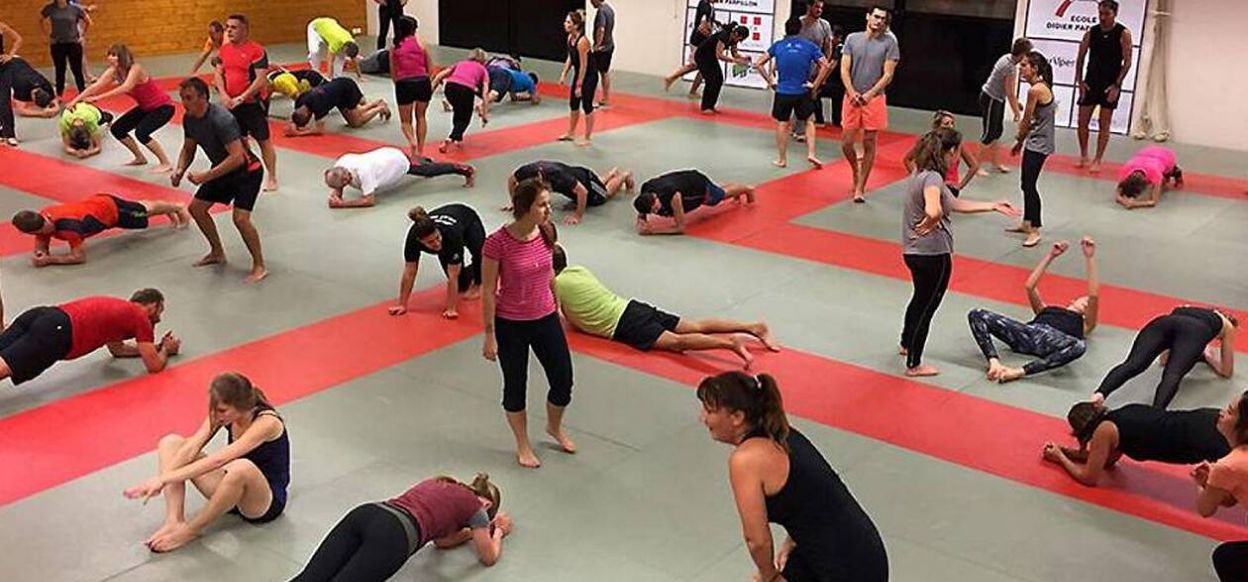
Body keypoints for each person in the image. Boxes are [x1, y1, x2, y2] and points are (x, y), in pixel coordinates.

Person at [697, 371, 889, 582]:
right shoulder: (782, 433)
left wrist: (770, 577)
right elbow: (812, 497)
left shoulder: (746, 460)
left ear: (737, 417)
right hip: (860, 550)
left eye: (709, 411)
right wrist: (793, 539)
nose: (702, 418)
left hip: (845, 568)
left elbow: (756, 540)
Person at [124, 372, 288, 553]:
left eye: (222, 410)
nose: (217, 415)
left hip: (262, 501)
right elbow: (191, 448)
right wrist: (162, 478)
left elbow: (219, 459)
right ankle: (173, 521)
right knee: (171, 443)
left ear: (241, 406)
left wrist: (164, 479)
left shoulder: (267, 422)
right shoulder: (224, 414)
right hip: (231, 490)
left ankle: (189, 531)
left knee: (242, 467)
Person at [900, 128, 1018, 377]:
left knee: (919, 299)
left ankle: (906, 342)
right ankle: (914, 363)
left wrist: (992, 205)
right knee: (928, 307)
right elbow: (935, 209)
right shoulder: (933, 178)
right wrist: (932, 221)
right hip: (933, 254)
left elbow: (952, 204)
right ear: (951, 151)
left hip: (913, 252)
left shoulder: (920, 173)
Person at [481, 178, 576, 469]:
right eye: (542, 204)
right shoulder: (497, 243)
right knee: (515, 385)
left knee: (563, 380)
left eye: (548, 203)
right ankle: (522, 443)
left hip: (545, 317)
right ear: (524, 208)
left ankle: (553, 426)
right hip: (511, 324)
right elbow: (487, 290)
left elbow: (549, 274)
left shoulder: (546, 232)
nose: (548, 210)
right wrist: (489, 335)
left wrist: (558, 308)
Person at [553, 245, 778, 367]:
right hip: (632, 307)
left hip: (624, 324)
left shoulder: (557, 284)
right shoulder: (579, 269)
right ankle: (753, 327)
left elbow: (558, 316)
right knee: (694, 326)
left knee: (677, 343)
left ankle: (730, 343)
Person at [290, 474, 511, 581]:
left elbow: (442, 541)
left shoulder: (440, 482)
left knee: (309, 578)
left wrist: (470, 534)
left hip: (368, 513)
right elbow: (488, 556)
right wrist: (498, 530)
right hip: (394, 535)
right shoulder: (478, 508)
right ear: (487, 503)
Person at [174, 77, 268, 284]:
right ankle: (217, 252)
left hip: (247, 172)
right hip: (223, 169)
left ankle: (259, 264)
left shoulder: (222, 119)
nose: (184, 102)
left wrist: (205, 176)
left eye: (188, 98)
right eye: (182, 98)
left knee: (240, 219)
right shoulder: (189, 118)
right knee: (196, 208)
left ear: (203, 98)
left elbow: (237, 157)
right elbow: (188, 148)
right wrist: (180, 169)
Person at [968, 238, 1099, 383]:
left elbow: (1094, 295)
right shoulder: (1045, 309)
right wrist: (1051, 256)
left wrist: (1090, 258)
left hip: (1053, 343)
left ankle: (1020, 371)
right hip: (1028, 333)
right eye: (1084, 300)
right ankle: (994, 362)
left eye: (1089, 305)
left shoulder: (1085, 324)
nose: (1087, 303)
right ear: (1073, 300)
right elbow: (1030, 286)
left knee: (1079, 346)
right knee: (977, 314)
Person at [0, 288, 179, 385]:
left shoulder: (118, 311)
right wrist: (165, 350)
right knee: (5, 366)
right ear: (152, 306)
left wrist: (155, 348)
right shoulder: (141, 317)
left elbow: (118, 350)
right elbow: (154, 366)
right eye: (160, 311)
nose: (160, 318)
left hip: (42, 314)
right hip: (58, 330)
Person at [1041, 400, 1231, 487]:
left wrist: (1060, 458)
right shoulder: (1124, 412)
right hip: (1206, 419)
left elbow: (1089, 478)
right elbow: (1107, 460)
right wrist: (1068, 452)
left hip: (1200, 437)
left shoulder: (1104, 431)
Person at [1092, 306, 1237, 409]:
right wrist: (1207, 355)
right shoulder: (1227, 325)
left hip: (1163, 322)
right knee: (1173, 374)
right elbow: (1226, 371)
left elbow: (1163, 359)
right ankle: (1156, 413)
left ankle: (1099, 394)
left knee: (1133, 364)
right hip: (1195, 331)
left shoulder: (1185, 307)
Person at [68, 44, 176, 172]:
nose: (110, 58)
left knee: (142, 133)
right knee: (118, 129)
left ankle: (165, 162)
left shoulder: (135, 69)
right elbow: (95, 86)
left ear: (122, 56)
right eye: (109, 55)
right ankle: (140, 158)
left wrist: (99, 98)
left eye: (113, 55)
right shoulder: (113, 71)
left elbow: (126, 87)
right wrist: (74, 100)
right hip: (146, 107)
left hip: (163, 107)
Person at [12, 194, 188, 265]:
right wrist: (40, 251)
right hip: (98, 203)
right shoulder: (44, 214)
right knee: (142, 208)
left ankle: (177, 207)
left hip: (111, 211)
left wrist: (51, 260)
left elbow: (79, 257)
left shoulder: (70, 229)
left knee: (144, 211)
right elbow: (42, 237)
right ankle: (169, 208)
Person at [840, 5, 899, 203]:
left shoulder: (890, 43)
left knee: (869, 142)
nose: (878, 21)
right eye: (876, 16)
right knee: (846, 141)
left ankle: (860, 186)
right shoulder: (852, 39)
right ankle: (855, 170)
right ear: (868, 17)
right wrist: (852, 92)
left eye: (882, 18)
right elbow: (844, 69)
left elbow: (888, 74)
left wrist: (869, 94)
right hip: (852, 97)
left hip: (875, 98)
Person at [755, 16, 831, 169]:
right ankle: (811, 153)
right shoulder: (809, 46)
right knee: (809, 121)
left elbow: (758, 63)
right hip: (802, 90)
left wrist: (771, 82)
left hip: (783, 91)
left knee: (783, 123)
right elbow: (826, 65)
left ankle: (782, 159)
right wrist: (815, 85)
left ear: (785, 29)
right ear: (800, 30)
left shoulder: (778, 45)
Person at [214, 14, 278, 191]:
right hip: (231, 104)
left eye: (233, 27)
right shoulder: (224, 50)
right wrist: (224, 95)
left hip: (252, 104)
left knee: (263, 140)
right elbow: (218, 74)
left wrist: (242, 97)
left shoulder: (256, 50)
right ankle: (249, 168)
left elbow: (261, 79)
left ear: (244, 30)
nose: (228, 30)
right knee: (238, 140)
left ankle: (271, 177)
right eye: (227, 27)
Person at [391, 204, 485, 319]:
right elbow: (409, 272)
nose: (436, 243)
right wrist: (402, 304)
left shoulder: (451, 235)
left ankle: (479, 282)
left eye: (437, 237)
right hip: (448, 240)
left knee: (479, 252)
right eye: (430, 242)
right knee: (461, 285)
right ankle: (484, 269)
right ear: (420, 241)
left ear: (438, 231)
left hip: (467, 219)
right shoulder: (412, 239)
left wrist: (451, 309)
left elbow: (452, 276)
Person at [1193, 392, 1248, 582]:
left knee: (1226, 558)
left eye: (1230, 412)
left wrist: (1203, 484)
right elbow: (1232, 498)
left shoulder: (1229, 465)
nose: (1222, 413)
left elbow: (1205, 509)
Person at [1075, 0, 1132, 172]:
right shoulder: (1091, 32)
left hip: (1110, 84)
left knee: (1104, 123)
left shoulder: (1123, 33)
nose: (1103, 17)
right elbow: (1080, 57)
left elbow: (1127, 61)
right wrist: (1080, 82)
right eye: (1100, 13)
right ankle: (1084, 155)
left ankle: (1098, 159)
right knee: (1082, 121)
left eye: (1107, 14)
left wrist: (1117, 85)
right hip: (1091, 82)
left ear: (1115, 14)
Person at [323, 146, 474, 208]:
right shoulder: (341, 163)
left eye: (345, 182)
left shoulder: (363, 172)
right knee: (421, 165)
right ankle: (423, 160)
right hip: (385, 154)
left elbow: (369, 200)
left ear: (347, 177)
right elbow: (338, 183)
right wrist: (337, 194)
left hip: (397, 163)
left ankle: (465, 170)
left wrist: (342, 204)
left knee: (428, 171)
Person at [1009, 50, 1056, 247]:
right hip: (1038, 142)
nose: (1021, 68)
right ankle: (1027, 222)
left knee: (1029, 185)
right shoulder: (1042, 86)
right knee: (1025, 183)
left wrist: (1018, 140)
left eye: (1025, 65)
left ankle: (1035, 229)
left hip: (1039, 144)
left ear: (1034, 68)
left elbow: (1026, 120)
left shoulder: (1035, 90)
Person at [509, 160, 633, 225]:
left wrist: (577, 215)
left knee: (603, 194)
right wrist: (515, 202)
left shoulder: (558, 176)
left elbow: (582, 192)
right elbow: (511, 180)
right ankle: (612, 172)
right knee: (598, 184)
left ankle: (624, 175)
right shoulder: (526, 171)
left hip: (585, 181)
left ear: (540, 176)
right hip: (574, 181)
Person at [633, 170, 755, 235]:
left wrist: (653, 231)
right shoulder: (646, 189)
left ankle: (748, 189)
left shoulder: (673, 196)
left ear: (655, 197)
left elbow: (681, 227)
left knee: (717, 198)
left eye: (655, 209)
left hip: (698, 186)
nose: (656, 212)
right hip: (685, 178)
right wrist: (642, 219)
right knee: (716, 190)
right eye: (652, 212)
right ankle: (729, 187)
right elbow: (642, 210)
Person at [978, 38, 1031, 175]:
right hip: (991, 98)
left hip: (997, 99)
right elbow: (1010, 92)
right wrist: (1017, 113)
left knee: (997, 132)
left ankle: (995, 163)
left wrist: (1016, 102)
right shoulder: (1010, 67)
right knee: (988, 134)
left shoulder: (1008, 58)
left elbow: (1008, 91)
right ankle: (976, 167)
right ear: (1022, 53)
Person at [902, 111, 980, 195]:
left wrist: (960, 186)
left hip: (950, 188)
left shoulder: (958, 144)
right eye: (947, 123)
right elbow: (907, 160)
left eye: (952, 123)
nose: (950, 126)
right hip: (931, 186)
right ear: (938, 126)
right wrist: (919, 178)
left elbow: (974, 166)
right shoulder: (926, 141)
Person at [288, 77, 391, 136]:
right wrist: (294, 126)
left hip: (346, 89)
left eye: (309, 117)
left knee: (356, 122)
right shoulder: (300, 101)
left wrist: (299, 134)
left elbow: (319, 130)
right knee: (355, 114)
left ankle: (380, 108)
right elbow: (294, 118)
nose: (311, 117)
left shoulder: (317, 105)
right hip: (338, 89)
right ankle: (376, 103)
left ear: (307, 114)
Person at [390, 16, 433, 157]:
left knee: (405, 121)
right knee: (421, 116)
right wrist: (427, 81)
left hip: (404, 83)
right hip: (422, 82)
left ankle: (412, 141)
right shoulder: (422, 44)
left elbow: (393, 72)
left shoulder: (395, 47)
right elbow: (430, 68)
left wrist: (399, 84)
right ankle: (420, 150)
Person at [431, 49, 489, 152]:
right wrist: (484, 114)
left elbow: (439, 76)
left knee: (458, 111)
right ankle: (451, 138)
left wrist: (429, 93)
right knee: (465, 118)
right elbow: (485, 93)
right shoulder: (483, 70)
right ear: (484, 60)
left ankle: (458, 137)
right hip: (466, 90)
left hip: (450, 87)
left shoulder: (460, 63)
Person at [662, 0, 718, 98]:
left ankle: (691, 90)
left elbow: (707, 22)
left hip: (702, 42)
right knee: (697, 66)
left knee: (701, 67)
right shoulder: (705, 6)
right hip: (698, 41)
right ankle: (672, 78)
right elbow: (702, 25)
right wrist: (710, 36)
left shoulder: (708, 5)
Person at [557, 10, 597, 145]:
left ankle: (587, 137)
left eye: (568, 22)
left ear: (576, 25)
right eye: (566, 21)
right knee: (573, 104)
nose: (565, 24)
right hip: (579, 74)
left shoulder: (582, 42)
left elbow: (584, 66)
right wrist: (564, 73)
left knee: (587, 105)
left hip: (589, 76)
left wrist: (579, 85)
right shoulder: (570, 38)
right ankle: (571, 132)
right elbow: (570, 57)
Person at [693, 22, 751, 115]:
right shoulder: (724, 35)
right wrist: (735, 61)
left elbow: (734, 54)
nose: (740, 41)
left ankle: (711, 105)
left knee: (719, 79)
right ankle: (705, 107)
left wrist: (743, 58)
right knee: (711, 80)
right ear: (736, 34)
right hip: (702, 55)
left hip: (711, 56)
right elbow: (719, 55)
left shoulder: (734, 40)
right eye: (740, 39)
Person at [40, 0, 91, 96]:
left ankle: (82, 93)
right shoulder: (50, 8)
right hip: (57, 43)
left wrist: (82, 35)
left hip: (73, 43)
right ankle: (59, 94)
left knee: (77, 70)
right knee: (60, 70)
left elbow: (87, 21)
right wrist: (47, 36)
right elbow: (40, 20)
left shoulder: (75, 8)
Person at [1116, 145, 1183, 209]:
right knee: (1127, 190)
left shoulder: (1155, 173)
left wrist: (1135, 204)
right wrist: (1123, 201)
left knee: (1165, 182)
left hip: (1166, 156)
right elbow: (1118, 191)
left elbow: (1153, 202)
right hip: (1146, 152)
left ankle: (1176, 170)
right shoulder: (1125, 171)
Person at [813, 25, 845, 128]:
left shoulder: (839, 48)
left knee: (815, 95)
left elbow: (832, 65)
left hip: (835, 82)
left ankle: (820, 120)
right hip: (839, 83)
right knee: (837, 102)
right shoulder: (836, 48)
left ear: (838, 37)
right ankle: (836, 121)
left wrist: (823, 78)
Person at [590, 0, 615, 108]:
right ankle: (605, 98)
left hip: (602, 48)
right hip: (609, 45)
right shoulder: (610, 9)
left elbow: (601, 29)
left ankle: (591, 99)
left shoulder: (601, 11)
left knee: (593, 73)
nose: (591, 3)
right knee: (604, 72)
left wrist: (597, 45)